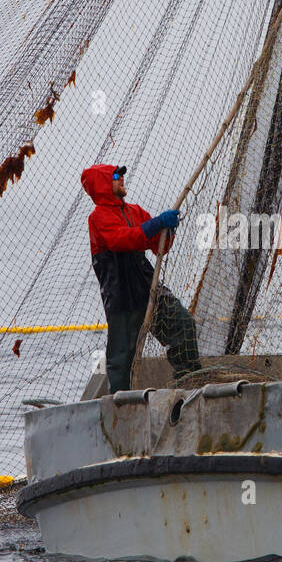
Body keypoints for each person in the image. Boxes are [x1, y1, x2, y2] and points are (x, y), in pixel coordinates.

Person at [81, 163, 200, 392]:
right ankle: (120, 406)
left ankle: (187, 383)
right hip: (122, 296)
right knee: (122, 358)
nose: (122, 179)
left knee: (183, 325)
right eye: (116, 176)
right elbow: (122, 240)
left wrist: (168, 231)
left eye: (122, 175)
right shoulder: (98, 218)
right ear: (103, 184)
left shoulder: (135, 211)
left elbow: (159, 247)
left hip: (148, 287)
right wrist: (156, 223)